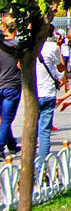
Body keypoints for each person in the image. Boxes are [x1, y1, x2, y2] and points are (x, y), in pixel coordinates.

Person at [34, 33, 63, 170]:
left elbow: (19, 65)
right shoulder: (52, 47)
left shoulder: (29, 47)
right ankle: (41, 168)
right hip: (48, 92)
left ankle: (30, 166)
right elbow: (61, 67)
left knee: (32, 130)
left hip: (33, 93)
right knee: (44, 132)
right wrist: (59, 47)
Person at [0, 16, 21, 157]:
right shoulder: (18, 45)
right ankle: (0, 146)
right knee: (6, 120)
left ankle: (11, 144)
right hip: (12, 85)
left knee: (2, 119)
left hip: (0, 84)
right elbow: (21, 65)